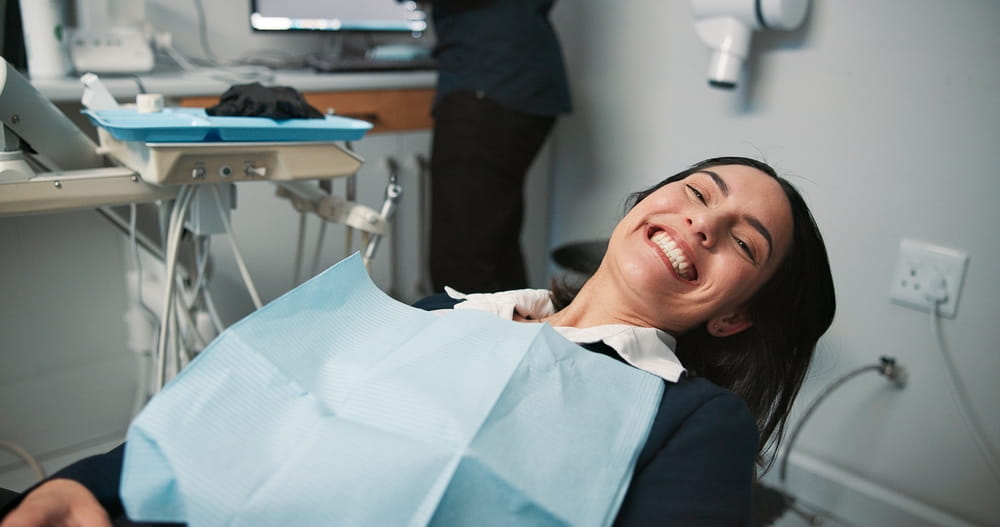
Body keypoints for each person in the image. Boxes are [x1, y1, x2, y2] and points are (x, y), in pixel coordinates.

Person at [0, 156, 835, 526]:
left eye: (742, 241)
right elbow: (245, 408)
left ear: (733, 319)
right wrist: (83, 484)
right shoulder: (445, 309)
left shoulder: (693, 419)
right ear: (646, 201)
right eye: (698, 191)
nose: (702, 222)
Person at [424, 0, 572, 293]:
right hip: (511, 78)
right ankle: (519, 324)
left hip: (491, 79)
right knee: (496, 252)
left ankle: (484, 325)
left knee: (460, 264)